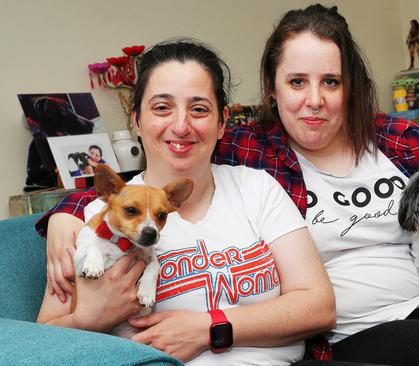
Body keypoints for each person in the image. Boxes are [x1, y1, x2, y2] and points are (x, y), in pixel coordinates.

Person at [39, 4, 419, 366]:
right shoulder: (252, 149)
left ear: (351, 87)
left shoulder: (401, 140)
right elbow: (166, 167)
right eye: (296, 81)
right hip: (349, 330)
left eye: (330, 82)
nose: (313, 100)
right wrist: (67, 213)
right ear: (271, 90)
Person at [36, 40, 335, 365]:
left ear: (222, 123)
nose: (181, 126)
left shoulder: (257, 189)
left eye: (199, 109)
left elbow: (318, 306)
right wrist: (89, 319)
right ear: (136, 120)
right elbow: (39, 343)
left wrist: (209, 327)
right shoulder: (101, 222)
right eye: (162, 108)